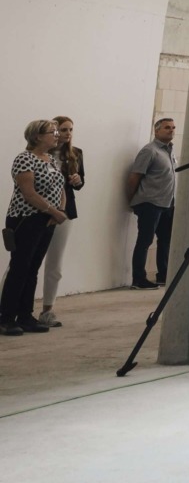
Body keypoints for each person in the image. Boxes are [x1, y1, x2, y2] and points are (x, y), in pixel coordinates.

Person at [2, 120, 69, 335]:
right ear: (37, 136)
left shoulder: (51, 159)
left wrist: (60, 211)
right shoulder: (25, 159)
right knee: (20, 268)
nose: (56, 135)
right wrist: (53, 211)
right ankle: (6, 318)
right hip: (26, 218)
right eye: (52, 132)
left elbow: (61, 187)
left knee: (33, 268)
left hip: (47, 219)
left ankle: (25, 316)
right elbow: (29, 193)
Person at [34, 116, 83, 326]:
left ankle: (48, 310)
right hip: (38, 211)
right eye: (63, 130)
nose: (67, 133)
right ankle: (7, 307)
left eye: (70, 129)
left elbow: (79, 184)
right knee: (23, 260)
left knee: (55, 263)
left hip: (64, 213)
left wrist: (77, 180)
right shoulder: (39, 154)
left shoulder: (76, 154)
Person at [127, 117, 176, 288]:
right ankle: (138, 279)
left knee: (166, 240)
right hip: (150, 203)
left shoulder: (169, 151)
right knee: (145, 240)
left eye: (173, 127)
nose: (171, 130)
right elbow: (135, 176)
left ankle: (163, 275)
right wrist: (132, 200)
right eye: (167, 127)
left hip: (167, 203)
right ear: (156, 130)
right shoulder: (150, 151)